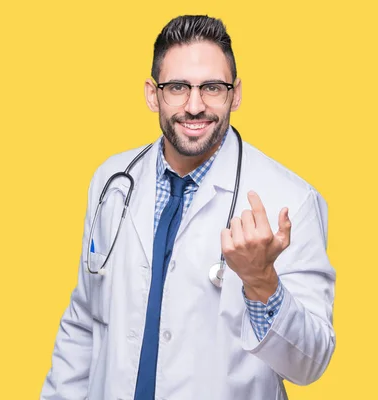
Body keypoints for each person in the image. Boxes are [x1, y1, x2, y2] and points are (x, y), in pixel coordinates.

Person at [41, 15, 336, 400]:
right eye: (177, 87)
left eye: (212, 87)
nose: (194, 106)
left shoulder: (291, 201)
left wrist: (262, 282)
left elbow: (310, 363)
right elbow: (84, 323)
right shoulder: (112, 181)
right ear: (152, 94)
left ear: (236, 93)